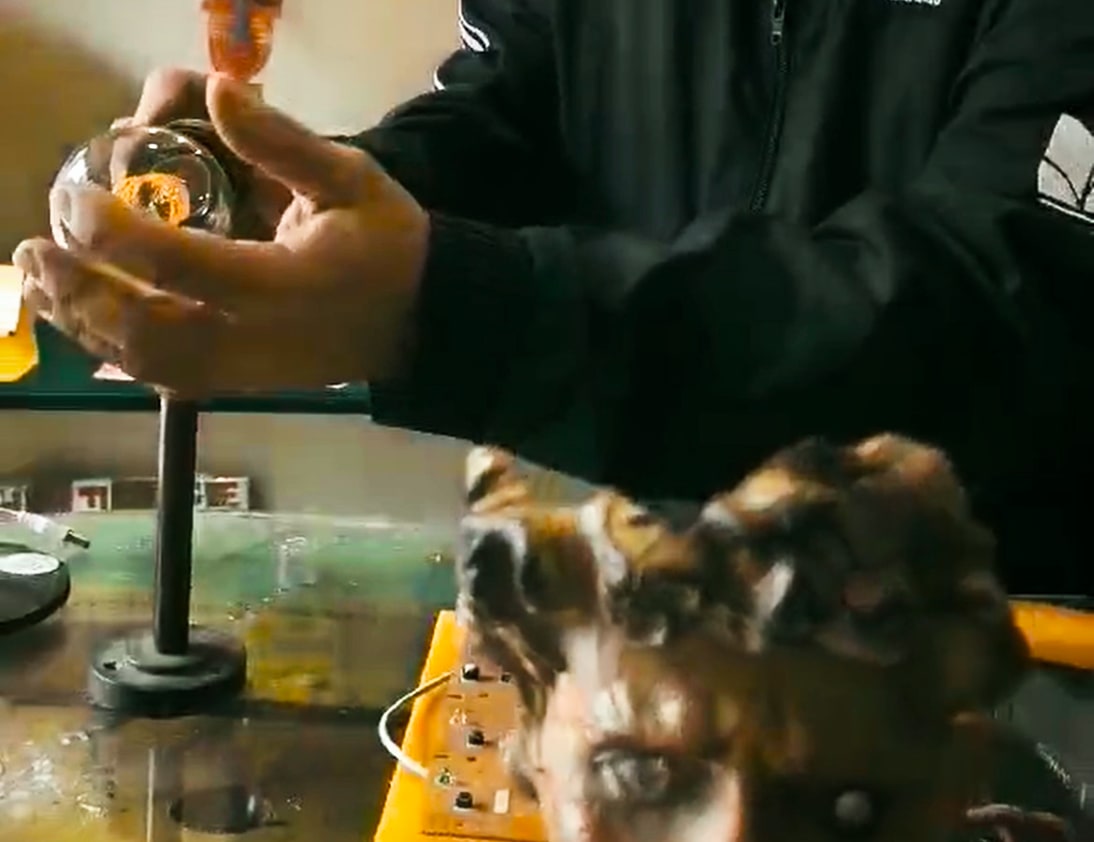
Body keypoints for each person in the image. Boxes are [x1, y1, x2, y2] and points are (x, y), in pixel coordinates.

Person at [13, 0, 1094, 595]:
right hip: (639, 604)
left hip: (984, 650)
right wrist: (309, 190)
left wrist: (443, 307)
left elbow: (985, 310)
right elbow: (512, 104)